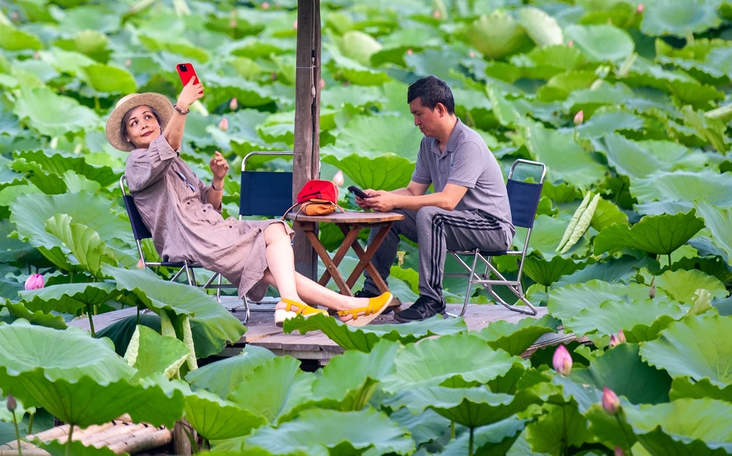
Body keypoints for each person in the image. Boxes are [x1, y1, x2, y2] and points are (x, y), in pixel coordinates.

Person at [109, 80, 394, 327]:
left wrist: (218, 181)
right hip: (190, 240)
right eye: (134, 123)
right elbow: (169, 145)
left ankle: (325, 303)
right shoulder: (137, 164)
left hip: (211, 230)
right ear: (127, 137)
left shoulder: (177, 164)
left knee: (275, 244)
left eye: (148, 117)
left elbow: (209, 204)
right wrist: (182, 106)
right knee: (273, 241)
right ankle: (324, 304)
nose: (143, 124)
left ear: (158, 122)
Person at [355, 75, 514, 322]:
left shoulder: (468, 143)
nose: (416, 122)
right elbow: (413, 192)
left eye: (419, 114)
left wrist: (394, 201)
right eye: (413, 115)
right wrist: (379, 197)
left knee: (432, 214)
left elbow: (449, 200)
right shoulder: (427, 144)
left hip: (491, 226)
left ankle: (432, 300)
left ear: (439, 109)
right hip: (454, 222)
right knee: (387, 214)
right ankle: (374, 293)